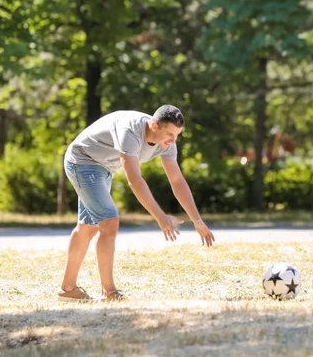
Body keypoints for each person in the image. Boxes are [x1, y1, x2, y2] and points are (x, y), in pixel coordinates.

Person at [58, 105, 215, 302]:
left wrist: (197, 220)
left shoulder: (167, 143)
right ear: (154, 125)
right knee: (109, 222)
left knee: (87, 227)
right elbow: (134, 181)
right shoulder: (130, 130)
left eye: (177, 135)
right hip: (83, 161)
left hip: (104, 168)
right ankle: (109, 292)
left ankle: (68, 289)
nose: (173, 140)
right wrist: (161, 217)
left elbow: (177, 181)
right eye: (169, 134)